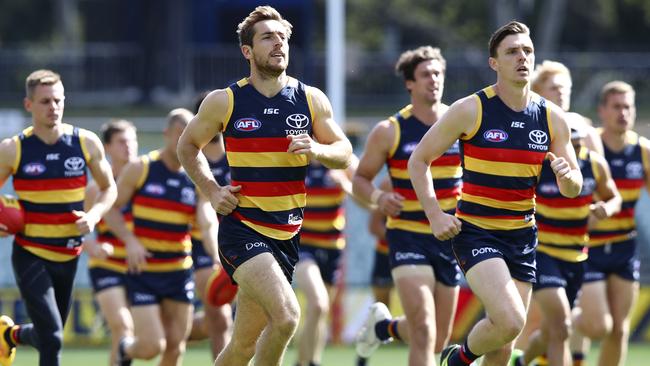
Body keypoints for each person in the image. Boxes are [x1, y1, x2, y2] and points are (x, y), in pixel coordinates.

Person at [176, 6, 352, 366]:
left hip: (287, 236)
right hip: (242, 230)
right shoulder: (226, 100)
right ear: (247, 51)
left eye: (283, 37)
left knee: (242, 346)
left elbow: (345, 152)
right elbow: (187, 146)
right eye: (268, 37)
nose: (278, 44)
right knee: (287, 317)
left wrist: (317, 148)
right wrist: (211, 191)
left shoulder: (311, 98)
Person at [407, 22, 583, 366]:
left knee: (504, 343)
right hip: (476, 232)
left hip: (522, 235)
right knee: (511, 321)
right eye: (512, 52)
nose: (522, 57)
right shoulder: (471, 109)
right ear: (494, 63)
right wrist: (435, 214)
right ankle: (458, 359)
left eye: (527, 51)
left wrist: (568, 176)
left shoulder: (552, 118)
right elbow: (419, 160)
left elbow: (573, 187)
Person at [353, 46, 462, 366]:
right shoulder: (390, 130)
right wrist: (378, 198)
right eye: (426, 74)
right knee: (425, 330)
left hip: (449, 239)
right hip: (407, 236)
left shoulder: (460, 122)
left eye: (438, 73)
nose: (434, 80)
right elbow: (360, 179)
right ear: (409, 84)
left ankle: (382, 327)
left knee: (440, 338)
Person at [0, 69, 117, 366]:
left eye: (58, 100)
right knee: (52, 338)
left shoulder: (86, 143)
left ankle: (9, 336)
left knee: (47, 336)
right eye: (45, 101)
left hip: (69, 255)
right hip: (31, 254)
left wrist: (93, 215)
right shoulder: (13, 149)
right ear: (29, 105)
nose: (53, 107)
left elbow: (108, 189)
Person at [109, 109, 218, 366]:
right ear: (167, 134)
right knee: (151, 346)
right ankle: (125, 348)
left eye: (190, 135)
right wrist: (130, 240)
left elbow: (207, 221)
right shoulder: (141, 168)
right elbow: (111, 208)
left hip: (179, 272)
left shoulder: (198, 177)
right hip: (144, 271)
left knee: (175, 347)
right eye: (179, 134)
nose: (185, 140)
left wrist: (217, 257)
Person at [515, 59, 605, 356]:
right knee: (540, 320)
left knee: (570, 325)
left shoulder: (584, 130)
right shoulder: (530, 124)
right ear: (538, 90)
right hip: (538, 242)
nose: (562, 92)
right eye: (554, 87)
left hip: (579, 242)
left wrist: (594, 213)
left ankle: (529, 360)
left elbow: (596, 179)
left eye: (565, 87)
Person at [513, 128, 620, 366]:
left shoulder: (595, 165)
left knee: (553, 330)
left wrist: (606, 209)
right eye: (572, 145)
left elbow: (614, 197)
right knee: (561, 326)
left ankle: (520, 362)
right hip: (542, 254)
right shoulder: (541, 165)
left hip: (576, 257)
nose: (576, 151)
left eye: (580, 145)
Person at [571, 81, 650, 366]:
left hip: (624, 248)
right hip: (590, 248)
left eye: (628, 106)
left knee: (619, 329)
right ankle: (568, 315)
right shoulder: (589, 147)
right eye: (616, 106)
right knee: (597, 327)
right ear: (602, 110)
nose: (623, 113)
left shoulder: (642, 151)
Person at [84, 119, 138, 366]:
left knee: (140, 334)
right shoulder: (97, 189)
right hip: (106, 265)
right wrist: (92, 246)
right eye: (122, 142)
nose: (129, 147)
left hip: (140, 265)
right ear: (107, 148)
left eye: (132, 141)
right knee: (122, 326)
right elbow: (80, 231)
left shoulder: (147, 184)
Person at [185, 92, 233, 361]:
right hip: (201, 248)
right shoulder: (192, 159)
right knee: (220, 318)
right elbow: (204, 212)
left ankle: (169, 329)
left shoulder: (239, 156)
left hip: (241, 243)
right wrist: (216, 253)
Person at [356, 177, 394, 366]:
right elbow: (374, 226)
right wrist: (404, 238)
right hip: (386, 254)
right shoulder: (388, 184)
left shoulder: (440, 180)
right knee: (380, 309)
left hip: (419, 257)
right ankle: (364, 354)